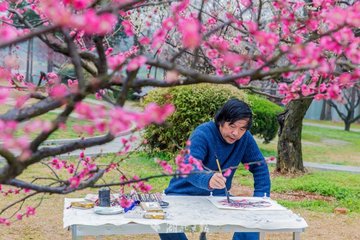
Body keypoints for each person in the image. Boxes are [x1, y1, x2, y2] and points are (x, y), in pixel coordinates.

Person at [159, 98, 271, 240]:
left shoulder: (245, 138)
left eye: (242, 128)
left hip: (218, 196)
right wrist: (208, 179)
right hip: (182, 193)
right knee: (165, 224)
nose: (236, 133)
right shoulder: (203, 133)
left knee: (253, 221)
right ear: (221, 120)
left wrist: (261, 198)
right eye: (232, 126)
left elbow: (259, 167)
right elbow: (189, 166)